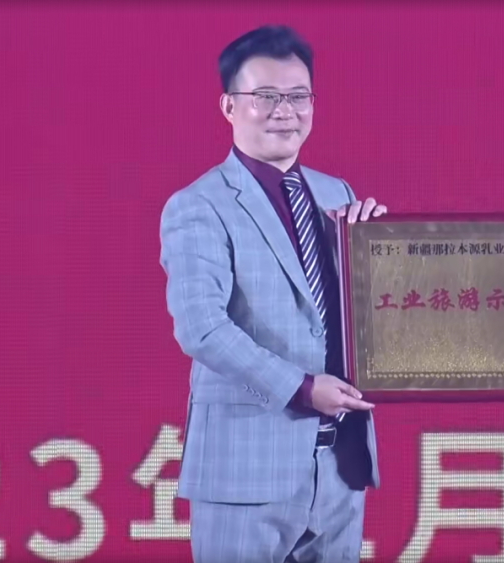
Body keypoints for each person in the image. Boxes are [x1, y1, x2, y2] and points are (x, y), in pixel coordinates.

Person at [159, 25, 385, 563]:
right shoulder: (199, 205)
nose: (285, 111)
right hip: (245, 470)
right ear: (229, 106)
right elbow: (202, 328)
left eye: (299, 96)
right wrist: (303, 388)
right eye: (266, 96)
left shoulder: (337, 195)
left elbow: (362, 317)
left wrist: (382, 254)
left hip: (340, 467)